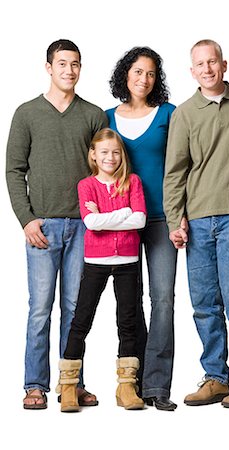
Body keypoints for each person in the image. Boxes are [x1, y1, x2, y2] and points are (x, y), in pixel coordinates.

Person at [164, 39, 229, 408]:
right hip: (198, 221)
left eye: (212, 62)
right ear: (192, 71)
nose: (207, 69)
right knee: (204, 302)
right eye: (200, 65)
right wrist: (176, 219)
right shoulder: (185, 114)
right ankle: (215, 378)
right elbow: (174, 172)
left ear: (224, 65)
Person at [6, 39, 108, 409]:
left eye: (75, 64)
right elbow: (14, 170)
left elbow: (105, 168)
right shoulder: (27, 113)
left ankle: (72, 383)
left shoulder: (94, 114)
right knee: (40, 308)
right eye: (62, 63)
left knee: (75, 307)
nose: (69, 70)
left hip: (85, 226)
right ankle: (35, 384)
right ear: (49, 67)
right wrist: (26, 219)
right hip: (43, 226)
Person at [106, 47, 178, 411]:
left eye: (150, 73)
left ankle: (158, 385)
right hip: (122, 221)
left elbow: (185, 164)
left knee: (163, 299)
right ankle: (131, 380)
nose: (143, 79)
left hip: (164, 218)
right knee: (129, 300)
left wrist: (183, 213)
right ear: (125, 74)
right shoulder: (106, 118)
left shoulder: (169, 114)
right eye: (137, 71)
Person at [57, 128, 147, 412]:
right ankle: (69, 385)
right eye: (104, 152)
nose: (111, 157)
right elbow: (91, 223)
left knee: (128, 322)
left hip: (128, 261)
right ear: (93, 156)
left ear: (122, 156)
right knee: (81, 319)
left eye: (116, 152)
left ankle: (126, 385)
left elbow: (140, 220)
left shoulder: (132, 181)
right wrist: (123, 214)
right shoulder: (86, 185)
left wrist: (107, 217)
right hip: (96, 261)